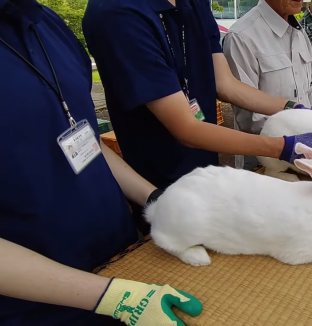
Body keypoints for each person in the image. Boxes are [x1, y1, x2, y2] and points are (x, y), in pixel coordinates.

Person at [0, 0, 202, 324]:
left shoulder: (47, 24)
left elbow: (82, 140)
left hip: (125, 266)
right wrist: (110, 296)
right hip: (37, 309)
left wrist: (156, 198)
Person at [82, 0, 312, 228]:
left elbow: (226, 85)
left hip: (207, 169)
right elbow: (186, 128)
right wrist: (281, 147)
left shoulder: (194, 3)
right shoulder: (118, 14)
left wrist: (293, 108)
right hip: (158, 178)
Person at [221, 0, 312, 170]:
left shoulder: (299, 32)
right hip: (265, 162)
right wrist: (299, 137)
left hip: (309, 150)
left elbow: (307, 90)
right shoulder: (242, 37)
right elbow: (249, 117)